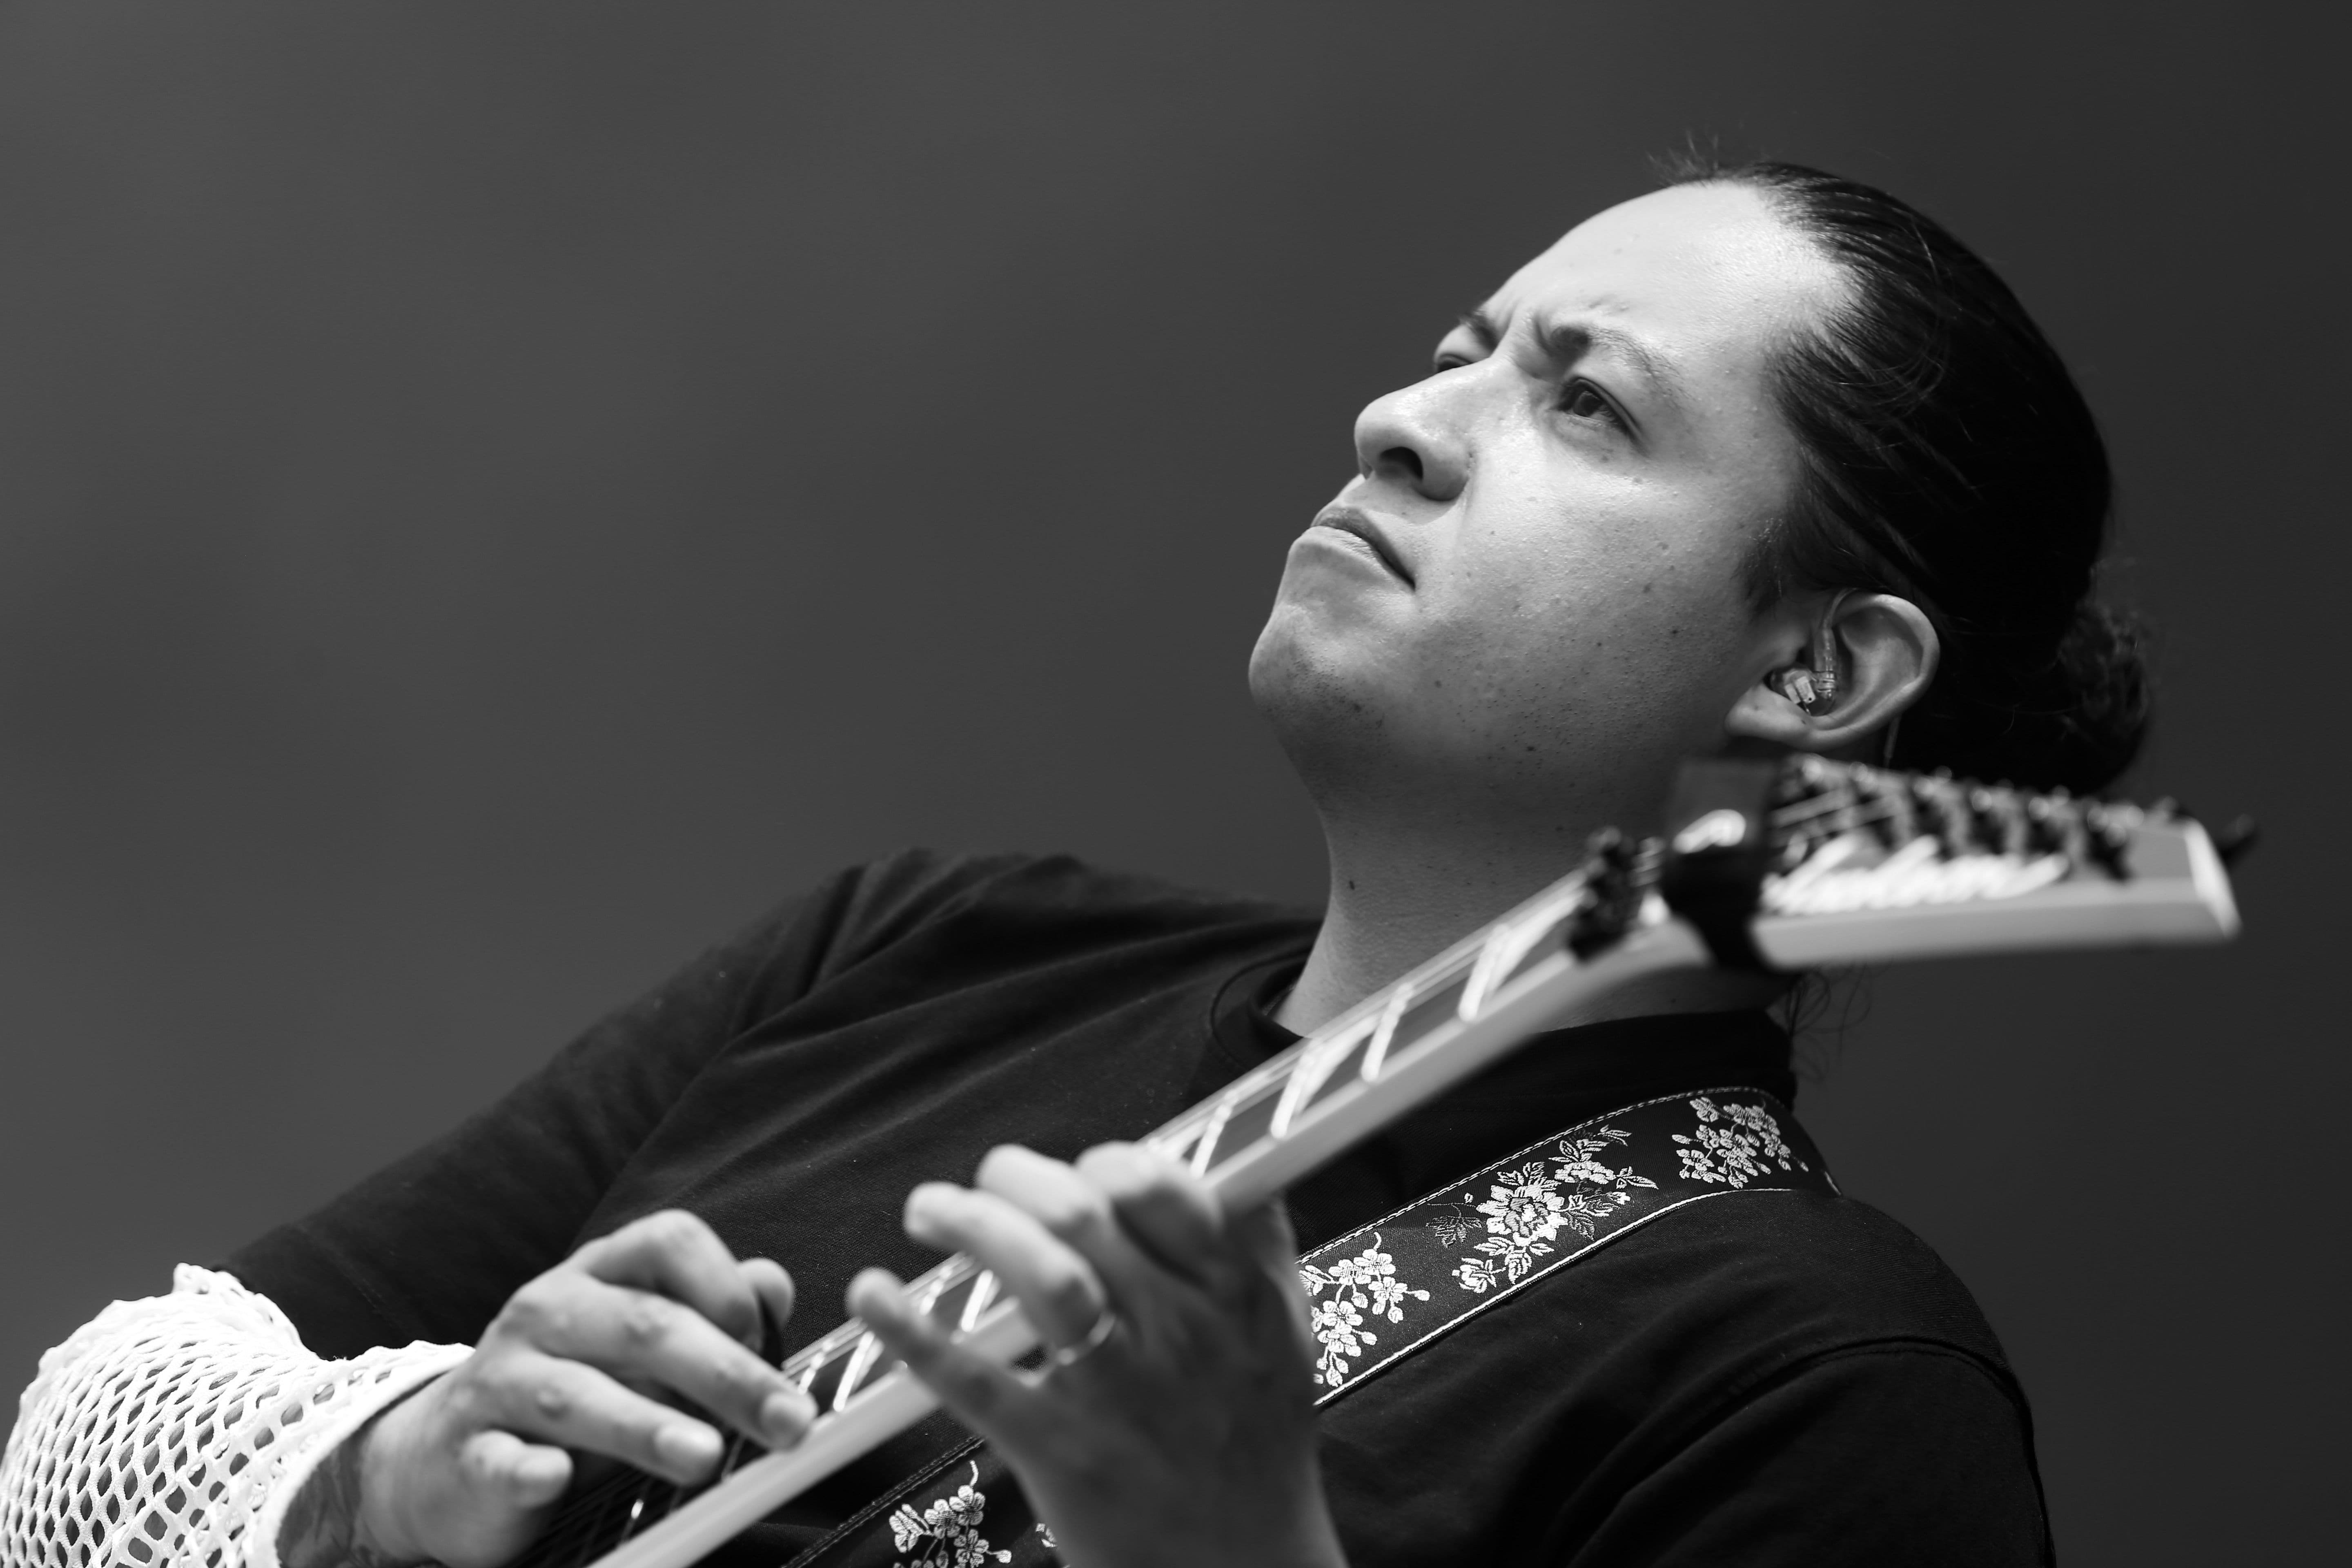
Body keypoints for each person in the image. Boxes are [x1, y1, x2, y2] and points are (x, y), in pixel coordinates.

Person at [1, 160, 2145, 1568]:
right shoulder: (933, 954)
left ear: (1821, 668)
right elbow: (82, 1448)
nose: (1408, 420)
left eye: (1585, 409)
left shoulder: (1815, 1381)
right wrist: (380, 1483)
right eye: (1460, 348)